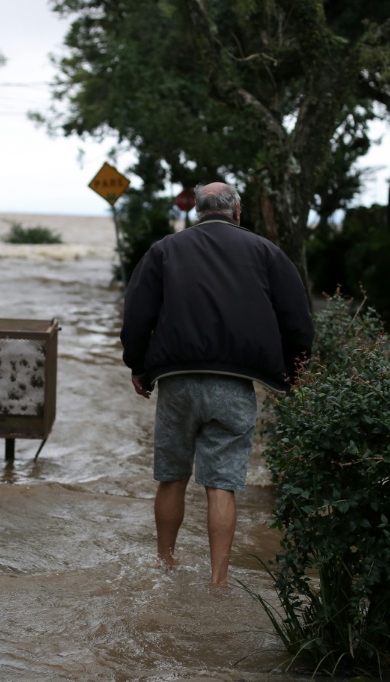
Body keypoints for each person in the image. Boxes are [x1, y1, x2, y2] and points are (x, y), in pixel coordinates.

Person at [120, 181, 314, 588]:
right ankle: (218, 582)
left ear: (196, 210)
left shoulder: (164, 250)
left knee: (172, 477)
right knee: (221, 484)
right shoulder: (267, 253)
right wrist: (295, 373)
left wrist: (138, 367)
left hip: (176, 381)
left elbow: (136, 315)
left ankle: (165, 566)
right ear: (237, 212)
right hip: (235, 383)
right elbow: (298, 319)